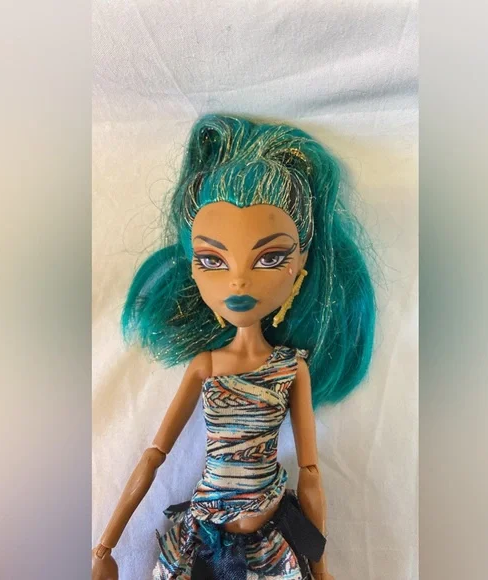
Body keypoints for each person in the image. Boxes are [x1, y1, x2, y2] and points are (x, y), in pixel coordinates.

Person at [92, 114, 376, 579]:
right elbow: (154, 455)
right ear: (193, 265)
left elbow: (310, 473)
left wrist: (321, 568)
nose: (239, 280)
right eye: (212, 259)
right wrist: (104, 547)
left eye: (270, 257)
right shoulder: (205, 365)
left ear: (301, 261)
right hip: (204, 545)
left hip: (271, 549)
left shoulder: (292, 369)